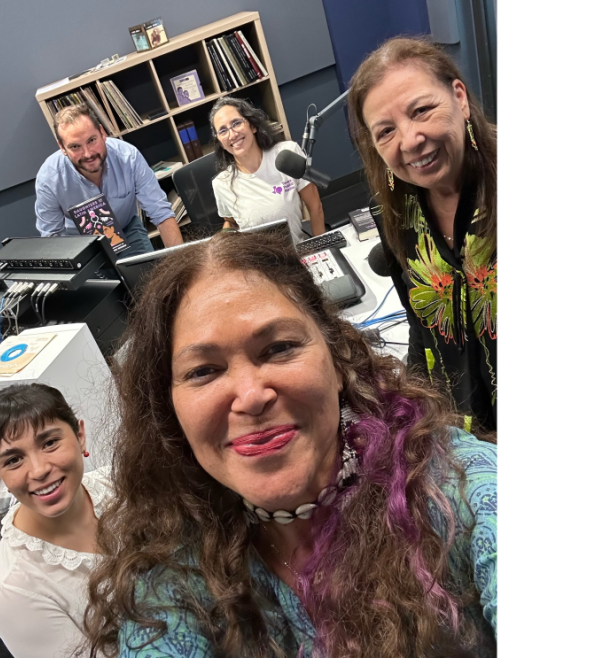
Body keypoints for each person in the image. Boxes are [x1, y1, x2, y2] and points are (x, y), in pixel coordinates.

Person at [82, 231, 496, 657]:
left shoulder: (455, 487)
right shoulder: (170, 562)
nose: (251, 395)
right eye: (204, 371)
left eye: (279, 348)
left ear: (338, 364)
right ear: (170, 410)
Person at [347, 37, 497, 432]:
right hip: (465, 435)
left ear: (459, 98)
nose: (410, 140)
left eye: (422, 110)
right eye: (385, 131)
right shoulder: (396, 211)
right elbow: (422, 330)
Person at [0, 383, 112, 658]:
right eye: (14, 460)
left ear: (80, 436)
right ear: (0, 474)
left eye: (50, 443)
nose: (39, 470)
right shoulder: (14, 588)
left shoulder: (121, 489)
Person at [35, 104, 184, 256]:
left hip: (127, 229)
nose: (87, 154)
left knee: (147, 276)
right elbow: (51, 237)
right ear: (62, 147)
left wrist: (182, 268)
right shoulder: (49, 179)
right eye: (75, 146)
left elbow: (161, 212)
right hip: (80, 245)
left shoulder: (129, 157)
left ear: (102, 132)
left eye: (92, 140)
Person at [210, 97, 326, 243]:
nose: (232, 134)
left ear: (253, 126)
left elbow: (315, 206)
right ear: (220, 141)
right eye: (223, 130)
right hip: (259, 262)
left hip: (298, 253)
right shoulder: (222, 183)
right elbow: (230, 222)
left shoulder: (287, 154)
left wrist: (321, 246)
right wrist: (222, 239)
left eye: (236, 123)